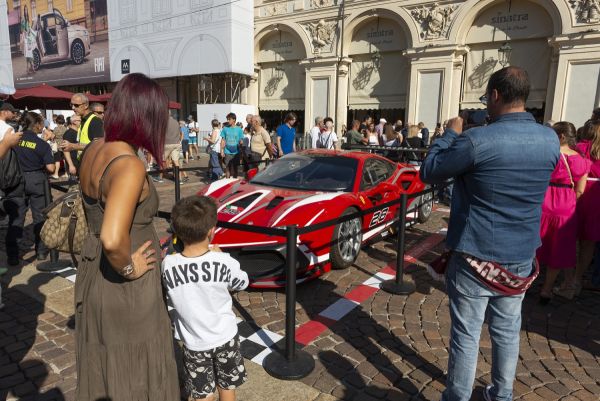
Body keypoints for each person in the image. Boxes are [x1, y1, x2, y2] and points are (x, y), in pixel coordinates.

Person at [420, 66, 559, 401]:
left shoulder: (475, 140)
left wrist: (450, 133)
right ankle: (502, 394)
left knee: (467, 335)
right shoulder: (550, 138)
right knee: (508, 331)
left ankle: (458, 397)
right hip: (521, 255)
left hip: (476, 253)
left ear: (495, 96)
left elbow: (429, 171)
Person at [75, 73, 180, 400]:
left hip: (92, 273)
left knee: (106, 365)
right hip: (127, 285)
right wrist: (129, 268)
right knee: (137, 372)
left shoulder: (94, 148)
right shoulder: (128, 165)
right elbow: (112, 237)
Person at [162, 195, 248, 401]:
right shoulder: (223, 261)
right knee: (227, 388)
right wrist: (219, 256)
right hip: (225, 337)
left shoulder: (168, 264)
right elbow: (242, 282)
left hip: (194, 342)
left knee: (202, 393)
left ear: (177, 232)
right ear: (212, 230)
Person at [536, 122, 590, 304]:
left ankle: (526, 282)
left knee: (535, 245)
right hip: (566, 207)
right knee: (558, 250)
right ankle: (547, 289)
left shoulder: (547, 155)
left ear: (561, 137)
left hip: (543, 202)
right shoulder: (582, 161)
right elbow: (580, 191)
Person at [554, 119, 600, 299]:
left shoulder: (580, 147)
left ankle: (568, 279)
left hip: (579, 193)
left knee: (569, 239)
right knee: (589, 242)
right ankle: (577, 280)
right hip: (596, 197)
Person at [9, 112, 55, 264]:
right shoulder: (41, 144)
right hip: (37, 180)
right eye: (42, 123)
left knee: (16, 218)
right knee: (40, 217)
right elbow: (51, 168)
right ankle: (41, 252)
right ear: (37, 125)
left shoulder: (14, 140)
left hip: (17, 179)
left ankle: (13, 256)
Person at [60, 93, 103, 158]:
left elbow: (98, 146)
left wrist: (73, 146)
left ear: (86, 105)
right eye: (71, 104)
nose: (73, 108)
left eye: (76, 105)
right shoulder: (83, 120)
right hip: (83, 164)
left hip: (92, 164)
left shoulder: (95, 121)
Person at [153, 114, 188, 183]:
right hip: (176, 143)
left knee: (162, 161)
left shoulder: (163, 122)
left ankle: (160, 177)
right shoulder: (176, 122)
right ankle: (179, 179)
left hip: (167, 143)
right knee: (176, 161)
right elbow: (181, 133)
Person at [220, 113, 244, 179]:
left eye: (229, 119)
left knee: (235, 168)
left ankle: (234, 181)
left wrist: (241, 142)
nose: (228, 121)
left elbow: (241, 139)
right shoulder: (225, 129)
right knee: (227, 168)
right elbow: (223, 140)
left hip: (236, 152)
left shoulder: (239, 129)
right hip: (227, 151)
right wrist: (222, 151)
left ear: (234, 120)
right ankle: (227, 181)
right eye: (227, 119)